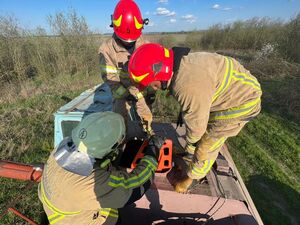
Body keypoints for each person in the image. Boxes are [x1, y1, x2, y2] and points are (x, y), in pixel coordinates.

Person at [128, 43, 262, 193]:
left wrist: (191, 151)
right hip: (231, 89)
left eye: (151, 84)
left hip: (241, 102)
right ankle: (191, 159)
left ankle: (191, 179)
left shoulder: (187, 86)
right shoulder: (182, 64)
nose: (152, 88)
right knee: (197, 135)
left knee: (207, 144)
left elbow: (197, 129)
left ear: (160, 73)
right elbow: (195, 106)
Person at [38, 111, 164, 225]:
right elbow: (135, 186)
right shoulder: (93, 182)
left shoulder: (61, 150)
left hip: (61, 213)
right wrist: (153, 151)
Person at [98, 0, 153, 138]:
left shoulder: (145, 45)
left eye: (133, 40)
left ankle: (148, 133)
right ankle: (120, 138)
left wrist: (150, 91)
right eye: (125, 40)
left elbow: (152, 71)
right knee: (119, 115)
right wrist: (124, 94)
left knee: (146, 113)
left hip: (140, 87)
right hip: (120, 87)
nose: (129, 42)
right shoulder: (106, 50)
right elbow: (110, 78)